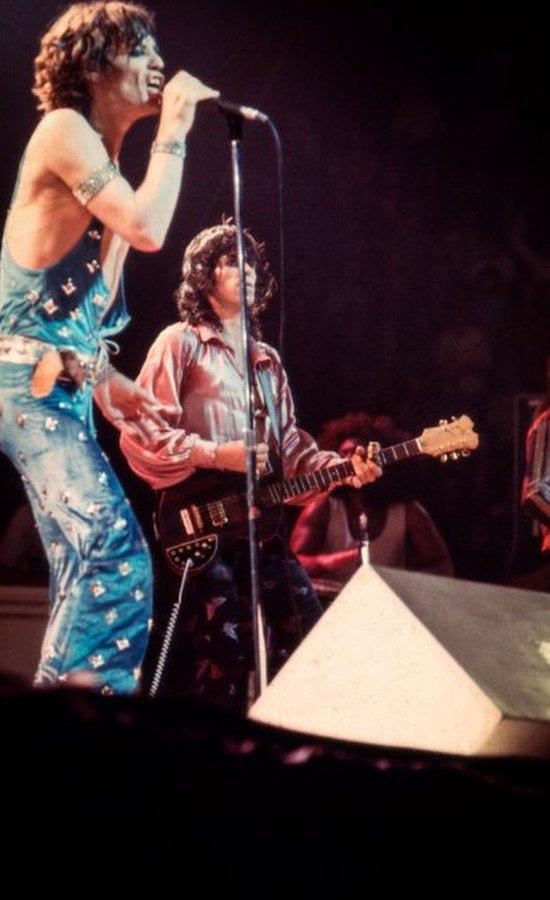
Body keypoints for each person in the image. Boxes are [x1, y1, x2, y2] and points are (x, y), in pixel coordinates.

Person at [0, 2, 217, 693]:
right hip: (20, 386)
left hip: (53, 386)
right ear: (94, 65)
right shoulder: (64, 129)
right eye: (139, 50)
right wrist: (177, 130)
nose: (159, 64)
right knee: (114, 559)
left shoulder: (107, 162)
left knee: (85, 566)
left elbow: (69, 328)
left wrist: (108, 382)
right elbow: (151, 228)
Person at [119, 222, 381, 712]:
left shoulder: (267, 361)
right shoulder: (180, 342)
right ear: (204, 276)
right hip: (201, 523)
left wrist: (343, 467)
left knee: (305, 638)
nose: (248, 271)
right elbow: (141, 431)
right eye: (231, 262)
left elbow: (292, 452)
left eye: (252, 262)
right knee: (224, 653)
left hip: (261, 528)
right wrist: (218, 454)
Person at [290, 412, 454, 604]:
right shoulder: (324, 507)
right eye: (342, 454)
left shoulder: (407, 511)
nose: (348, 461)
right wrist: (344, 558)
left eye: (356, 453)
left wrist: (405, 589)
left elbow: (441, 565)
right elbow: (294, 565)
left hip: (388, 607)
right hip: (331, 607)